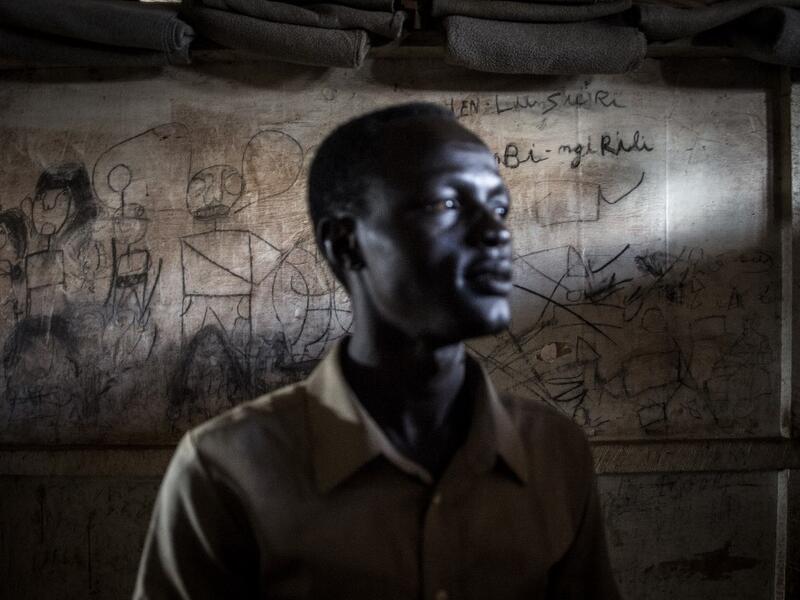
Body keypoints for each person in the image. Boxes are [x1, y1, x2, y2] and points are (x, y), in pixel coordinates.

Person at [134, 103, 621, 599]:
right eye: (444, 205)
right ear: (346, 244)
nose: (494, 233)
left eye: (498, 208)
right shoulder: (226, 470)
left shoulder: (555, 455)